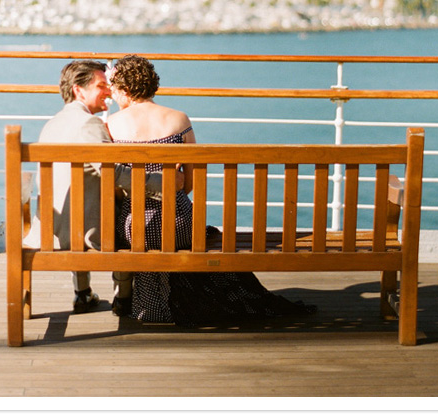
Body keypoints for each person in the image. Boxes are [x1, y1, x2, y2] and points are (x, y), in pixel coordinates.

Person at [107, 54, 315, 326]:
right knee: (197, 232)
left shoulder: (110, 125)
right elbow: (190, 185)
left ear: (124, 88)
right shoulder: (179, 119)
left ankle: (151, 304)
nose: (110, 94)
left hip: (134, 228)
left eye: (112, 87)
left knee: (145, 236)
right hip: (180, 224)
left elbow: (113, 186)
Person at [24, 59, 182, 315]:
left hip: (50, 228)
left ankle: (83, 292)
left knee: (86, 199)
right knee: (129, 214)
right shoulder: (89, 125)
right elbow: (114, 173)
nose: (109, 91)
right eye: (101, 85)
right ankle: (123, 296)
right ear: (78, 89)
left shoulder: (51, 124)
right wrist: (165, 183)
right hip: (84, 234)